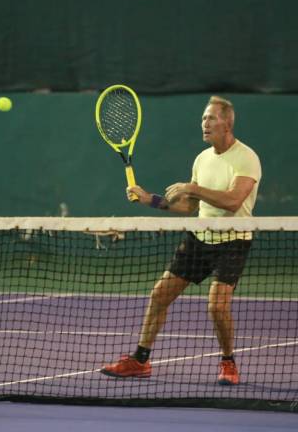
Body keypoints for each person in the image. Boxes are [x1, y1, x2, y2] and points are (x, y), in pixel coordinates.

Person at [100, 96, 261, 385]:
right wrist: (150, 200)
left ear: (228, 123)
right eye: (203, 118)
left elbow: (234, 201)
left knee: (217, 306)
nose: (204, 123)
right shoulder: (202, 158)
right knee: (160, 295)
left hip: (233, 240)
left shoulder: (246, 157)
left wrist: (193, 188)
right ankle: (140, 360)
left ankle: (228, 362)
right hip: (199, 238)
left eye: (211, 118)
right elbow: (188, 207)